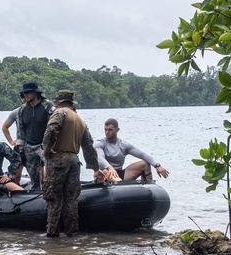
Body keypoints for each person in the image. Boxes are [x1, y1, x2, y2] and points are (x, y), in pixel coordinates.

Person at [41, 91, 105, 237]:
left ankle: (52, 235)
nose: (55, 104)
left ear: (61, 102)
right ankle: (72, 234)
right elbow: (89, 146)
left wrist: (47, 148)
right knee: (71, 199)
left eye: (56, 102)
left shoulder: (60, 112)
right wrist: (95, 168)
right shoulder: (80, 120)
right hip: (74, 161)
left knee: (53, 198)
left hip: (58, 159)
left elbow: (51, 129)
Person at [94, 118, 170, 182]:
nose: (107, 132)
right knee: (106, 172)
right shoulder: (100, 143)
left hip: (120, 173)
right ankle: (121, 186)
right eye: (105, 130)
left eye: (110, 130)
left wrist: (157, 166)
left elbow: (142, 155)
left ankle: (149, 189)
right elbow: (99, 157)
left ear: (117, 130)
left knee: (145, 164)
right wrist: (109, 167)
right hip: (105, 173)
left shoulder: (123, 145)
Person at [15, 81, 55, 190]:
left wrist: (50, 146)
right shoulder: (22, 110)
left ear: (35, 93)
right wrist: (21, 149)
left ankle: (52, 191)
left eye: (28, 93)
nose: (25, 95)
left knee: (50, 173)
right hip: (29, 146)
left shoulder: (47, 106)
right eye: (24, 93)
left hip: (44, 145)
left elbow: (53, 128)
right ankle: (36, 192)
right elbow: (20, 130)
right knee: (33, 175)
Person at [1, 92, 28, 184]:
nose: (25, 100)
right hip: (20, 145)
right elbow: (5, 127)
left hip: (34, 146)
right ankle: (15, 191)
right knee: (16, 176)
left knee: (40, 174)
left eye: (26, 97)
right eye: (23, 98)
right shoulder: (16, 112)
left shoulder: (36, 111)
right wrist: (11, 141)